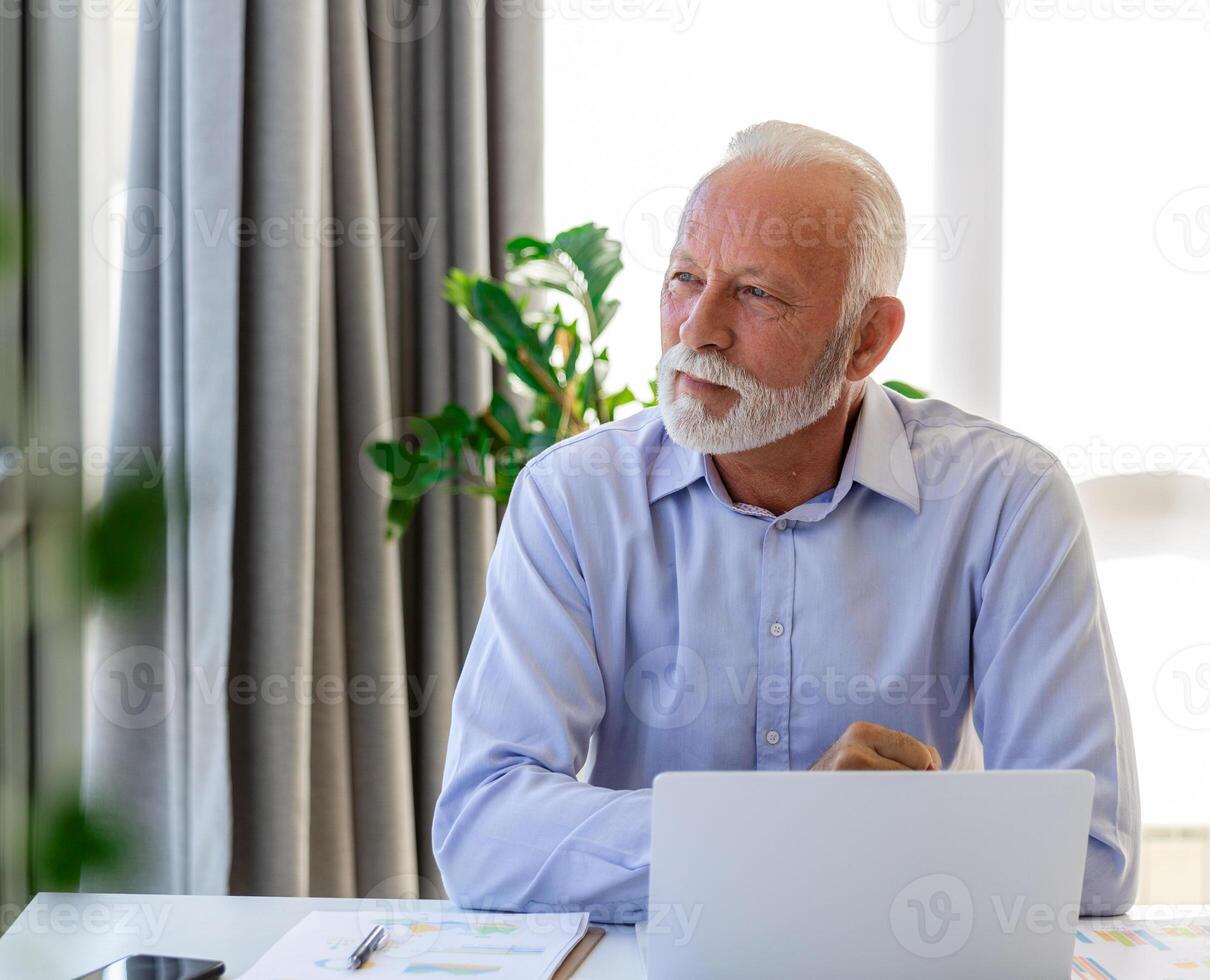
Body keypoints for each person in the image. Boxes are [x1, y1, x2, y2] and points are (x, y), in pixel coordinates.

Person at [433, 120, 1139, 923]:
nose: (696, 330)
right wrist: (787, 832)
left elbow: (1088, 859)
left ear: (866, 338)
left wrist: (753, 852)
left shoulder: (1007, 499)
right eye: (684, 278)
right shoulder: (572, 499)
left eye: (756, 293)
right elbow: (485, 832)